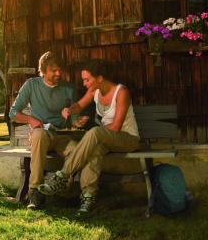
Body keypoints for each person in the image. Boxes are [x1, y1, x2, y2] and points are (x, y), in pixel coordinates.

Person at [38, 58, 140, 216]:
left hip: (127, 138)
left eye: (87, 80)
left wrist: (94, 134)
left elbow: (117, 127)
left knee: (94, 134)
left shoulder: (121, 92)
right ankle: (88, 198)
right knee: (94, 150)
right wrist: (70, 110)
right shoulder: (95, 91)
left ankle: (62, 176)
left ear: (99, 78)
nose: (84, 84)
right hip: (106, 138)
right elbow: (79, 105)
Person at [9, 51, 88, 210]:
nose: (58, 73)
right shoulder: (31, 85)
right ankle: (35, 192)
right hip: (41, 134)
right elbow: (13, 113)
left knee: (77, 151)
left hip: (62, 136)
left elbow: (74, 118)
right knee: (38, 134)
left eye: (60, 69)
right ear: (43, 70)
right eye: (53, 70)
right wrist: (30, 119)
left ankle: (60, 194)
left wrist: (78, 121)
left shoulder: (69, 88)